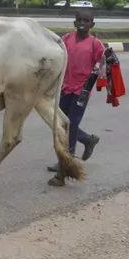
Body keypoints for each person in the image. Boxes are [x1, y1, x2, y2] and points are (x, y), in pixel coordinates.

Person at [48, 9, 104, 174]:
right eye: (79, 20)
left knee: (71, 124)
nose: (82, 23)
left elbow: (102, 63)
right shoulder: (66, 39)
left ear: (92, 24)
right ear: (74, 22)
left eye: (86, 21)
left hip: (82, 91)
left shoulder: (95, 44)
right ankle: (87, 140)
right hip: (65, 88)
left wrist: (101, 74)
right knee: (60, 123)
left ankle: (67, 161)